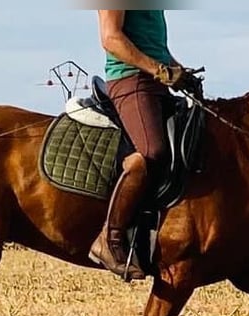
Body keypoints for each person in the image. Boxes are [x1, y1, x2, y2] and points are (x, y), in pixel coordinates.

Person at [88, 10, 200, 281]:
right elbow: (111, 38)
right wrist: (160, 70)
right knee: (151, 152)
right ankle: (110, 238)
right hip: (130, 81)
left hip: (155, 83)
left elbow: (156, 47)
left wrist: (179, 71)